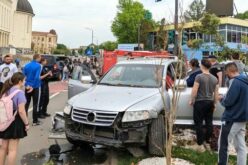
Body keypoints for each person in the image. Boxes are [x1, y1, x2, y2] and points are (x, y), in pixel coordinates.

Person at [218, 63, 248, 165]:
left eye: (226, 72)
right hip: (243, 117)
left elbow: (229, 101)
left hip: (232, 118)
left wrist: (221, 99)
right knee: (240, 146)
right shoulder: (245, 81)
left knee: (223, 144)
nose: (226, 75)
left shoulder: (235, 82)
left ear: (229, 71)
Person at [189, 59, 219, 152]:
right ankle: (207, 140)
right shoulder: (215, 78)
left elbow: (194, 89)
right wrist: (215, 103)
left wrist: (192, 99)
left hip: (200, 102)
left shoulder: (199, 76)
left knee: (199, 123)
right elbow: (216, 93)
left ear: (202, 66)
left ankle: (200, 143)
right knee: (209, 122)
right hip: (210, 102)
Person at [0, 72, 29, 165]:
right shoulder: (20, 93)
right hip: (15, 121)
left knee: (3, 148)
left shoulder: (7, 90)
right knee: (12, 149)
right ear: (20, 81)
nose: (25, 82)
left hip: (5, 120)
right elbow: (21, 111)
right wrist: (26, 123)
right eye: (24, 80)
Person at [23, 54, 42, 126]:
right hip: (35, 87)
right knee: (35, 104)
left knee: (26, 104)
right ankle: (34, 121)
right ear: (37, 58)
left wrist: (26, 85)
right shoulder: (38, 66)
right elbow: (37, 77)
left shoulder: (26, 65)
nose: (40, 59)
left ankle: (24, 121)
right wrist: (33, 86)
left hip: (27, 86)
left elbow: (23, 76)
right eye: (40, 58)